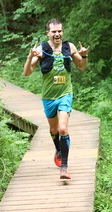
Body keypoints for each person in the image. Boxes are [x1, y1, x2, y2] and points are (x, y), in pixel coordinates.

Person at [23, 18, 90, 179]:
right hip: (48, 97)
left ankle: (64, 167)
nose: (57, 34)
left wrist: (84, 56)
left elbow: (81, 66)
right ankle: (58, 150)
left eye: (60, 31)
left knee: (62, 129)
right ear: (48, 33)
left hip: (65, 94)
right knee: (54, 130)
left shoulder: (70, 47)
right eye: (54, 31)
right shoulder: (42, 48)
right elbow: (27, 72)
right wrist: (29, 57)